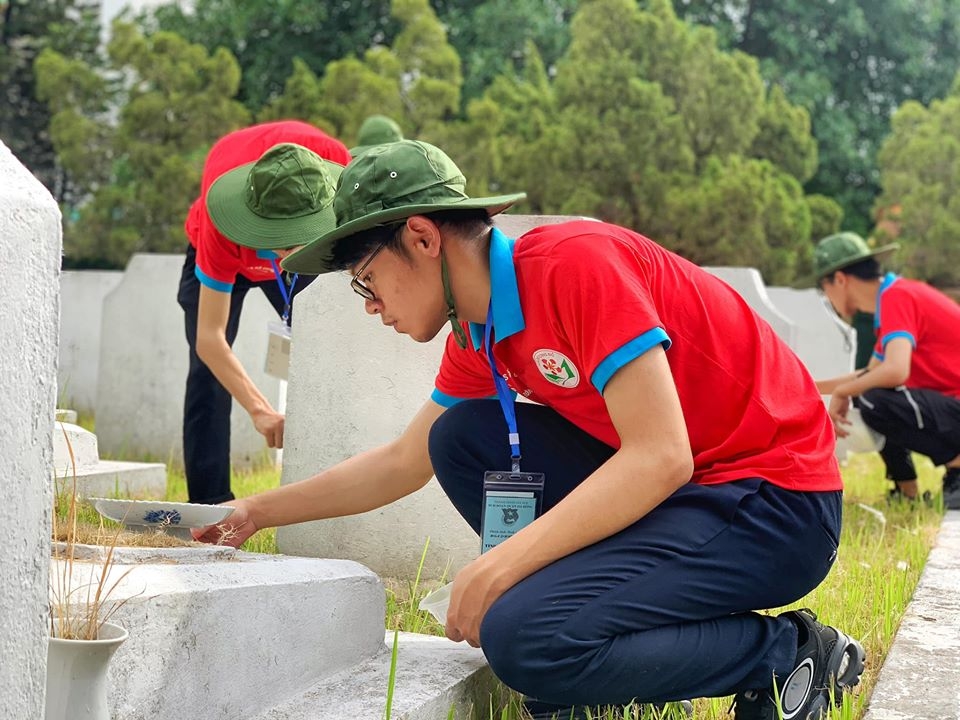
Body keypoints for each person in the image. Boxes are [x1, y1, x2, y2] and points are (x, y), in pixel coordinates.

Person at [195, 140, 864, 719]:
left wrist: (501, 566)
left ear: (423, 239)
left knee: (523, 638)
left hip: (777, 504)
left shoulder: (575, 265)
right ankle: (642, 655)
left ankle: (788, 654)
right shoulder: (477, 332)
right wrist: (253, 511)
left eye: (368, 281)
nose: (372, 308)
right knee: (458, 437)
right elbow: (403, 461)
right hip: (695, 496)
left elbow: (662, 457)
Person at [178, 120, 350, 504]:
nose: (282, 256)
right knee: (207, 376)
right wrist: (261, 412)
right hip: (221, 246)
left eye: (293, 243)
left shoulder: (337, 170)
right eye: (275, 244)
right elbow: (210, 337)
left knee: (325, 355)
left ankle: (332, 490)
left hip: (309, 231)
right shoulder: (220, 223)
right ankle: (212, 507)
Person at [812, 232, 960, 507]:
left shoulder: (897, 297)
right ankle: (908, 492)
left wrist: (844, 392)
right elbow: (870, 374)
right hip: (952, 407)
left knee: (871, 397)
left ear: (840, 280)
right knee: (868, 390)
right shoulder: (892, 299)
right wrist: (810, 387)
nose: (827, 299)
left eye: (825, 289)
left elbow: (895, 371)